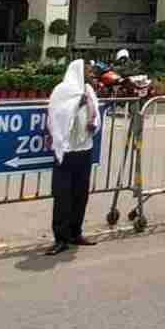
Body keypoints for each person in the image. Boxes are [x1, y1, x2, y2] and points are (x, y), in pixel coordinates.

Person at [46, 59, 102, 255]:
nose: (89, 73)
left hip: (84, 148)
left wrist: (94, 122)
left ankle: (75, 232)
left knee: (80, 194)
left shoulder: (88, 90)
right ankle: (60, 238)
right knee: (63, 196)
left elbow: (96, 112)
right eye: (86, 70)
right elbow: (56, 115)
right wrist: (76, 106)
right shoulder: (62, 91)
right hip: (66, 150)